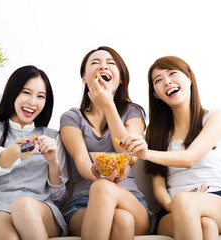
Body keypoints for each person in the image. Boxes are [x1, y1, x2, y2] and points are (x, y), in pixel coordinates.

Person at [120, 56, 221, 239]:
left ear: (189, 78)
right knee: (206, 225)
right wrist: (174, 206)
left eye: (172, 73)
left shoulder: (215, 117)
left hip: (219, 199)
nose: (167, 81)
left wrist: (147, 153)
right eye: (158, 80)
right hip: (172, 207)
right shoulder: (156, 132)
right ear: (155, 93)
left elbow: (190, 158)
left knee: (189, 205)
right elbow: (158, 185)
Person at [0, 65, 68, 239]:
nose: (33, 101)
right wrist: (12, 153)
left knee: (23, 205)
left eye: (40, 96)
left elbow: (59, 200)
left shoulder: (53, 137)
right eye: (26, 93)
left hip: (39, 209)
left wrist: (53, 163)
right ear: (12, 93)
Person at [60, 46, 152, 240]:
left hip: (131, 201)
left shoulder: (133, 112)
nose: (103, 66)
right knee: (122, 220)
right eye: (95, 63)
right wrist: (101, 177)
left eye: (110, 63)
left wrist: (109, 106)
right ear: (84, 78)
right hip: (83, 204)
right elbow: (82, 161)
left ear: (120, 79)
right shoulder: (71, 118)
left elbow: (130, 156)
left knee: (106, 190)